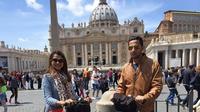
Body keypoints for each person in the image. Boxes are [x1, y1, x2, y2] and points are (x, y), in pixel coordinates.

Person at [116, 36, 163, 112]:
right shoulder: (125, 67)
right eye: (130, 48)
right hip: (128, 107)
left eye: (136, 47)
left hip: (146, 108)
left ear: (142, 48)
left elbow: (157, 86)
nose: (133, 50)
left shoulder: (153, 65)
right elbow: (121, 86)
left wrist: (145, 98)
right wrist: (119, 95)